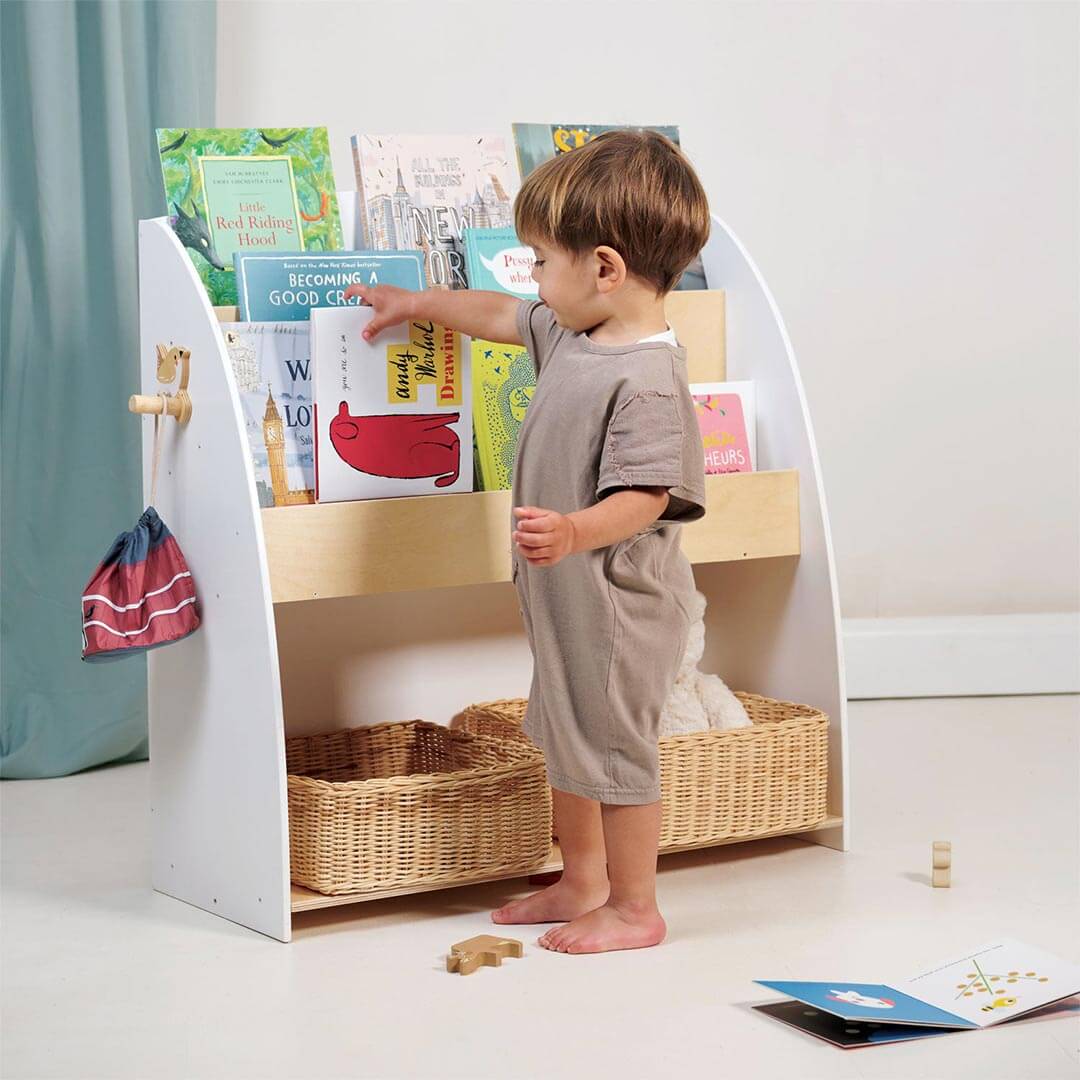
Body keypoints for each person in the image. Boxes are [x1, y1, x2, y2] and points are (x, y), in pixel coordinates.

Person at [344, 129, 709, 954]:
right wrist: (419, 303)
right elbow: (502, 315)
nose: (534, 280)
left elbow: (648, 497)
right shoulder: (576, 334)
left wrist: (576, 529)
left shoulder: (646, 379)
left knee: (614, 752)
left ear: (604, 268)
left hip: (617, 607)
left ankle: (635, 907)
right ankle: (582, 878)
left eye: (543, 261)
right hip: (565, 596)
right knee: (564, 732)